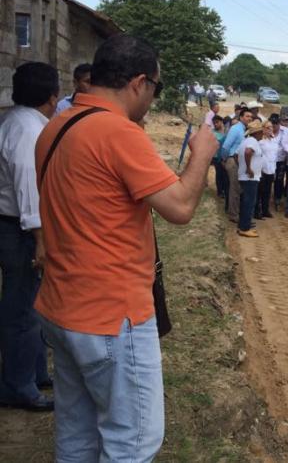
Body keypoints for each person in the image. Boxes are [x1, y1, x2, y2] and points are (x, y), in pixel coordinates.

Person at [34, 35, 219, 459]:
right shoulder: (119, 132)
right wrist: (202, 155)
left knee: (76, 437)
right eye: (157, 88)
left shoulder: (55, 128)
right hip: (111, 316)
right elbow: (180, 207)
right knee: (131, 443)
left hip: (61, 307)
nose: (154, 100)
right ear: (138, 83)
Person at [0, 62, 59, 412]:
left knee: (31, 305)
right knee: (22, 310)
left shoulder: (17, 121)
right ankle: (17, 385)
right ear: (53, 96)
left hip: (14, 226)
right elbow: (27, 186)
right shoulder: (27, 130)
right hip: (19, 230)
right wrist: (41, 238)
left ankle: (34, 372)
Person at [222, 108, 253, 222]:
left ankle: (237, 212)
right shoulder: (236, 129)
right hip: (232, 160)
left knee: (239, 189)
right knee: (234, 189)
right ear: (240, 117)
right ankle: (233, 215)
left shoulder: (246, 130)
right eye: (247, 116)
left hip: (240, 162)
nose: (249, 118)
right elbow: (226, 146)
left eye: (250, 117)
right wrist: (225, 160)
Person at [238, 121, 265, 237]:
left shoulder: (246, 141)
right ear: (257, 132)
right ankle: (245, 228)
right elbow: (248, 152)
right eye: (261, 132)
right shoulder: (252, 142)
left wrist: (243, 166)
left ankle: (243, 225)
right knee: (249, 202)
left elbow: (235, 155)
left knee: (246, 201)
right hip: (249, 177)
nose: (263, 134)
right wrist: (248, 168)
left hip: (246, 176)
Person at [256, 121, 278, 220]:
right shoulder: (260, 141)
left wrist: (274, 170)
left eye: (271, 127)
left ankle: (265, 210)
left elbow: (275, 156)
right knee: (260, 191)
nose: (270, 129)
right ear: (263, 129)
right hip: (262, 170)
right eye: (268, 127)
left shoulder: (274, 140)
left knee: (268, 191)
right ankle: (257, 211)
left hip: (271, 169)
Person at [272, 116, 288, 211]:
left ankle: (277, 198)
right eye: (273, 125)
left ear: (279, 124)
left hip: (281, 160)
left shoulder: (285, 131)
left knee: (279, 179)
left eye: (276, 125)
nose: (274, 127)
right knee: (268, 179)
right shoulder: (267, 130)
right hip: (269, 160)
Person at [212, 115, 228, 198]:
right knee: (219, 174)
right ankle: (220, 191)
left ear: (221, 122)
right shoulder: (213, 133)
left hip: (225, 156)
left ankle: (225, 190)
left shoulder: (226, 131)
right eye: (214, 123)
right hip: (216, 157)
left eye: (217, 122)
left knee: (225, 174)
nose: (215, 124)